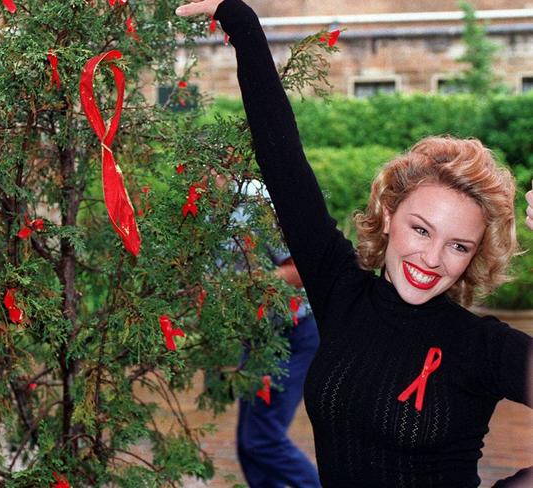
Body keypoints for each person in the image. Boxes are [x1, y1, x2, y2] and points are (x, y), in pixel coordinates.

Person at [176, 1, 533, 487]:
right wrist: (242, 23)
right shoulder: (340, 292)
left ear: (474, 256)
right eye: (421, 229)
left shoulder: (482, 346)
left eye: (458, 246)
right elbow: (283, 164)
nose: (431, 259)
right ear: (388, 215)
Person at [228, 179, 322, 487]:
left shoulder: (255, 202)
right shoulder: (201, 216)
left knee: (262, 439)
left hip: (295, 333)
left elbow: (301, 269)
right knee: (249, 444)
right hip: (259, 336)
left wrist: (252, 284)